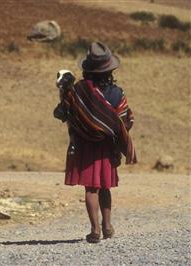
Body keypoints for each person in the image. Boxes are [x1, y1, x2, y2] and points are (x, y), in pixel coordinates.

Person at [54, 41, 137, 243]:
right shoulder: (118, 93)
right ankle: (108, 226)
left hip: (86, 146)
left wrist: (64, 91)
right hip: (108, 147)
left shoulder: (78, 91)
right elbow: (125, 121)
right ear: (109, 69)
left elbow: (62, 113)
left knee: (91, 188)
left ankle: (95, 230)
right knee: (105, 186)